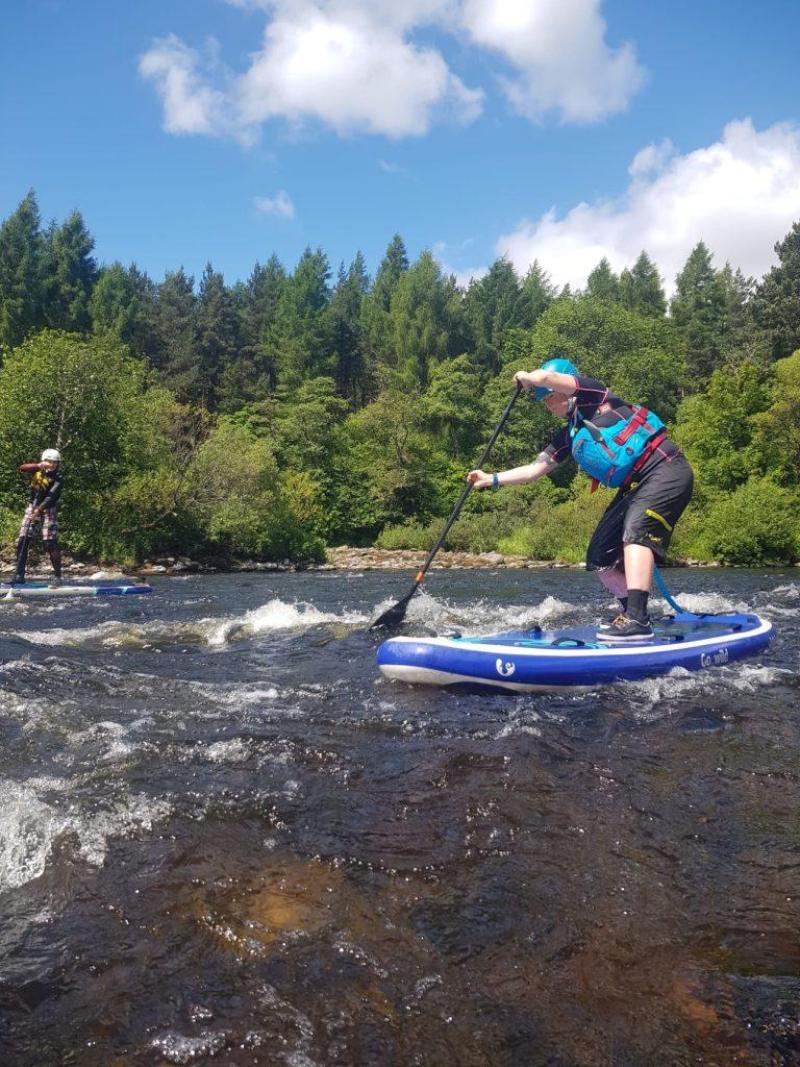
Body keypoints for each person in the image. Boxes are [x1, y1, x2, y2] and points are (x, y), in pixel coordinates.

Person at [468, 359, 693, 641]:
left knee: (635, 532)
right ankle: (635, 614)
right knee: (601, 556)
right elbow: (535, 469)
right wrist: (490, 479)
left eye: (550, 397)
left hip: (665, 469)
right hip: (635, 485)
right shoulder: (567, 435)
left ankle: (638, 620)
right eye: (544, 401)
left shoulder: (594, 394)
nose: (548, 404)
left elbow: (550, 377)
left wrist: (530, 377)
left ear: (564, 386)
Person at [13, 448, 63, 585]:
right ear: (44, 461)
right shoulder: (37, 470)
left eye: (55, 462)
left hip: (48, 509)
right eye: (49, 462)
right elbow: (22, 468)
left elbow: (50, 498)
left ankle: (58, 576)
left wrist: (38, 510)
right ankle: (19, 575)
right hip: (32, 506)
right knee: (23, 539)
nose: (52, 465)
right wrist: (38, 466)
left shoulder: (58, 478)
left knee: (49, 542)